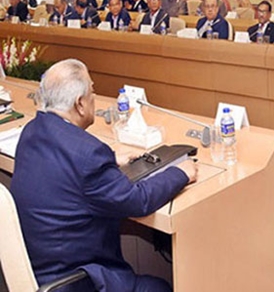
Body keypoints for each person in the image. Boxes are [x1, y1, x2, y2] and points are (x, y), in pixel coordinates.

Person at [10, 59, 197, 292]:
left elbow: (64, 160)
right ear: (80, 104)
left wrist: (110, 158)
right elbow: (138, 200)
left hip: (37, 268)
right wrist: (180, 173)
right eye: (92, 90)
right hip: (73, 281)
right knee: (158, 287)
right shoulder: (88, 155)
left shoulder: (33, 130)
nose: (94, 96)